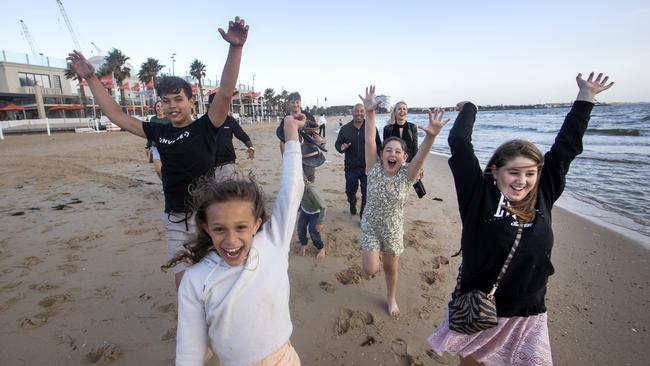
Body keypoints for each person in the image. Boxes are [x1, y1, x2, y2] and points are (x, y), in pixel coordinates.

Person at [427, 72, 614, 366]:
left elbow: (567, 147)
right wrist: (470, 109)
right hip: (482, 310)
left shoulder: (544, 192)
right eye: (514, 172)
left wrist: (586, 97)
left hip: (530, 313)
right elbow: (460, 145)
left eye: (530, 173)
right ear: (496, 172)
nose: (522, 181)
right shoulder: (479, 196)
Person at [67, 16, 249, 289]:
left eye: (178, 99)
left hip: (208, 218)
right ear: (160, 105)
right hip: (175, 219)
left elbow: (224, 93)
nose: (172, 106)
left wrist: (235, 48)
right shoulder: (158, 131)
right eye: (166, 101)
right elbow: (116, 115)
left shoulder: (207, 126)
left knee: (217, 278)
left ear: (191, 101)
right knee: (184, 284)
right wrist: (92, 78)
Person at [167, 113, 305, 365]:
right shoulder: (195, 280)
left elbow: (292, 188)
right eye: (220, 229)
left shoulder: (273, 241)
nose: (231, 240)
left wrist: (291, 132)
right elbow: (189, 352)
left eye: (241, 227)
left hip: (285, 358)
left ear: (257, 224)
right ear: (206, 228)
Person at [359, 85, 448, 316]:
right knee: (370, 269)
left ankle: (391, 298)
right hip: (370, 226)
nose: (392, 154)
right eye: (388, 150)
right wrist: (370, 113)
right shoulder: (373, 168)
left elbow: (420, 158)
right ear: (381, 154)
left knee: (390, 268)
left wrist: (431, 137)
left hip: (393, 229)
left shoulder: (406, 175)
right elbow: (370, 140)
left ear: (404, 157)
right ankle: (372, 254)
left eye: (398, 152)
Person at [335, 103, 382, 217]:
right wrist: (341, 148)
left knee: (367, 194)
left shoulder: (371, 128)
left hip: (368, 168)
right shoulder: (345, 129)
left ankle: (363, 215)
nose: (359, 114)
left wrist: (381, 160)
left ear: (365, 112)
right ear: (352, 113)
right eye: (357, 111)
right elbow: (338, 143)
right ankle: (352, 202)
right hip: (351, 167)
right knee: (350, 191)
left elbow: (379, 145)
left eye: (362, 111)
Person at [207, 92, 255, 181]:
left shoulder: (230, 121)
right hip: (207, 168)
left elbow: (242, 135)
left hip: (227, 165)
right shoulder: (202, 123)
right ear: (210, 105)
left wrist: (251, 148)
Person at [297, 175, 327, 258]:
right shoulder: (297, 189)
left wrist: (319, 222)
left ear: (305, 182)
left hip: (315, 213)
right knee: (300, 228)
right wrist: (298, 209)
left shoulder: (312, 191)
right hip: (305, 211)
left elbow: (323, 207)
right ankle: (304, 244)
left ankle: (321, 248)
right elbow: (298, 200)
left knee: (313, 231)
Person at [145, 100, 171, 180]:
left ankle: (168, 185)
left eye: (162, 106)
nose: (160, 108)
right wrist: (148, 145)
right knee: (158, 170)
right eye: (158, 106)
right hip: (155, 147)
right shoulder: (153, 119)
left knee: (168, 170)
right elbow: (150, 133)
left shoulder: (169, 119)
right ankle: (164, 184)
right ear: (155, 108)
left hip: (167, 148)